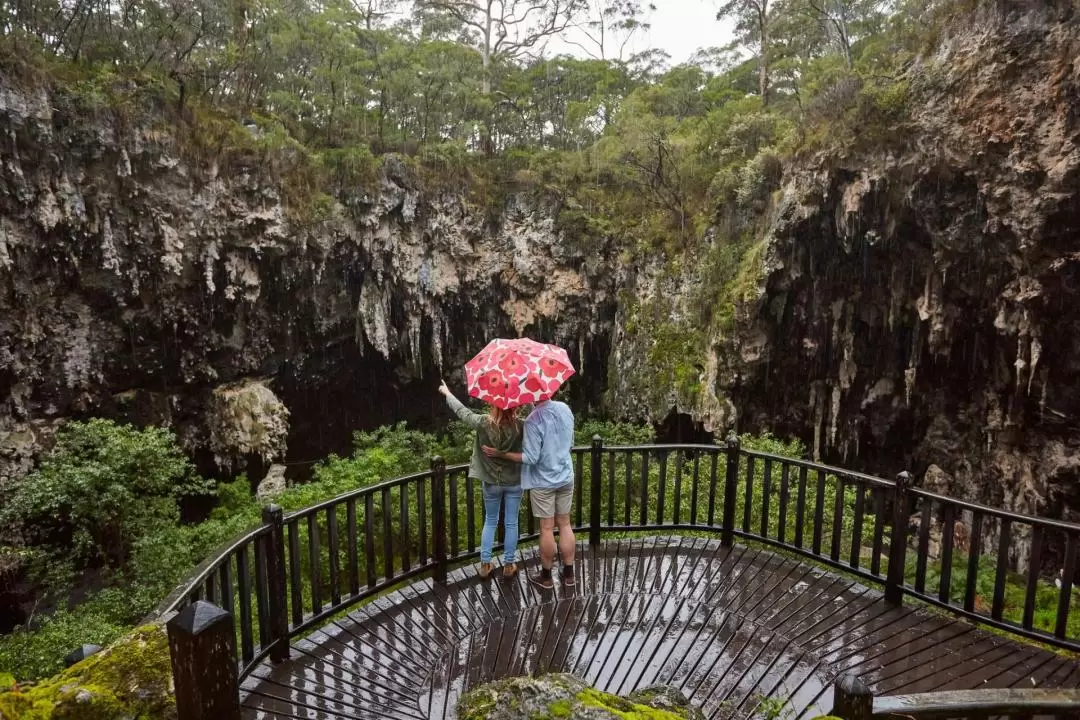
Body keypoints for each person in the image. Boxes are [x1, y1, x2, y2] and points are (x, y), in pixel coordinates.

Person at [483, 394, 575, 589]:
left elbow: (531, 458)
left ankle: (547, 576)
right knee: (565, 524)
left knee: (547, 528)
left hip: (544, 481)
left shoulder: (534, 419)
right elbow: (570, 443)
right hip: (566, 476)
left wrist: (503, 454)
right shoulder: (565, 409)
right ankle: (569, 574)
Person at [438, 379, 523, 580]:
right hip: (513, 482)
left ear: (494, 404)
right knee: (511, 523)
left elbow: (462, 412)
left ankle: (485, 565)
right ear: (515, 406)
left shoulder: (484, 422)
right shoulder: (521, 426)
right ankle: (509, 565)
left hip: (491, 482)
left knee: (490, 521)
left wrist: (448, 393)